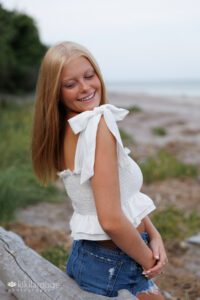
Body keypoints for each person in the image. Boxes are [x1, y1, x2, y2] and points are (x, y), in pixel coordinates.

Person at [31, 41, 168, 299]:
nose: (85, 87)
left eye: (89, 76)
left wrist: (153, 233)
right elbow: (111, 221)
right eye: (70, 84)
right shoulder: (98, 123)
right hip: (119, 262)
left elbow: (118, 196)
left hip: (88, 257)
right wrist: (148, 260)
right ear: (56, 92)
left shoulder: (63, 128)